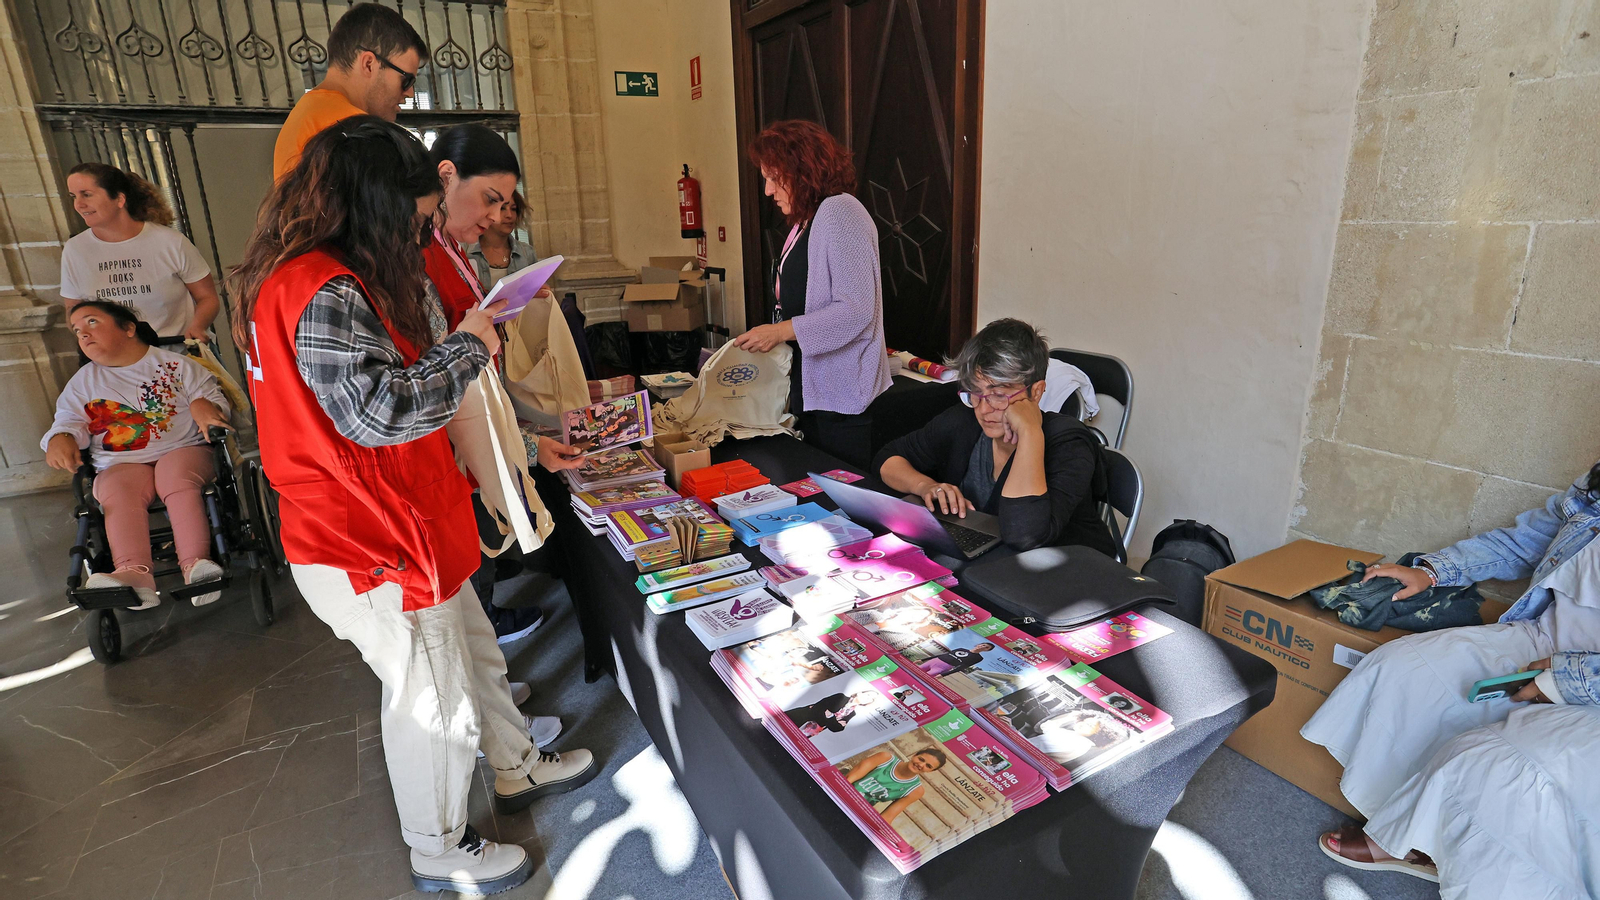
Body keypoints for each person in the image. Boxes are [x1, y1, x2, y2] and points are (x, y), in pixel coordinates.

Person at [232, 117, 595, 896]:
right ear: (377, 206)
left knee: (474, 652)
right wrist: (468, 345)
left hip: (410, 519)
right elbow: (378, 412)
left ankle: (516, 765)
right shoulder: (322, 287)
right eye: (418, 217)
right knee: (434, 695)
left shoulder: (327, 278)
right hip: (370, 537)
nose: (422, 233)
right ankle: (439, 845)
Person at [1301, 460, 1600, 894]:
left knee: (1498, 761)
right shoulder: (1594, 487)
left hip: (1588, 684)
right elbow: (1529, 540)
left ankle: (1429, 848)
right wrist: (1432, 572)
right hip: (1545, 638)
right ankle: (1412, 834)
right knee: (1404, 668)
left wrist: (1566, 679)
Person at [423, 123, 584, 650]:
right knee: (459, 611)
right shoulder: (418, 257)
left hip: (475, 438)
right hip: (447, 456)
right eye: (489, 199)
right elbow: (439, 381)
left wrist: (530, 447)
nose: (496, 216)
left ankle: (488, 677)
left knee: (474, 597)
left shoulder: (449, 247)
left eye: (504, 203)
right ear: (446, 177)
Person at [874, 319, 1118, 556]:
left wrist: (1030, 432)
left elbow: (1025, 535)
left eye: (999, 395)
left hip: (1073, 571)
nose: (983, 409)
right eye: (975, 392)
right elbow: (888, 458)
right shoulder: (964, 420)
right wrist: (924, 486)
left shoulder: (1070, 444)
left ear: (1036, 392)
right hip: (994, 564)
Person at [42, 301, 230, 608]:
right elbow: (69, 420)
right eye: (77, 330)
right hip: (121, 462)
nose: (83, 334)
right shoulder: (82, 382)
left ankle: (196, 565)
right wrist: (61, 437)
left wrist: (203, 406)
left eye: (92, 322)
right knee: (117, 488)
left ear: (129, 328)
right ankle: (134, 575)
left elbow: (213, 400)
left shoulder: (176, 365)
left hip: (184, 450)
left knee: (174, 475)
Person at [732, 119, 893, 469]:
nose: (768, 191)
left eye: (774, 178)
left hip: (843, 395)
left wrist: (779, 331)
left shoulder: (841, 211)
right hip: (817, 388)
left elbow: (855, 309)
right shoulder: (809, 218)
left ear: (803, 172)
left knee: (841, 488)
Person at [60, 164, 219, 341]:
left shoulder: (171, 242)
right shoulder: (75, 249)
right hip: (113, 355)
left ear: (119, 199)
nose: (79, 204)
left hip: (174, 350)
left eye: (87, 194)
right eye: (73, 196)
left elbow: (207, 297)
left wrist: (197, 327)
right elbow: (73, 308)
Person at [272, 2, 424, 181]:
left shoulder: (309, 112)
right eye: (406, 80)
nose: (410, 93)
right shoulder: (351, 127)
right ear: (369, 64)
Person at [845, 748, 947, 825]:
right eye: (921, 759)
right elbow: (849, 778)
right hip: (843, 792)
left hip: (857, 812)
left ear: (931, 771)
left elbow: (887, 817)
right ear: (914, 755)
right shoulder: (884, 758)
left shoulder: (916, 791)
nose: (921, 765)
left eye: (928, 766)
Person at [467, 190, 539, 291]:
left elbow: (535, 291)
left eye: (513, 209)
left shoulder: (527, 253)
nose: (509, 215)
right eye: (502, 208)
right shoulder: (465, 252)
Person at [785, 690, 876, 735]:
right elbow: (818, 708)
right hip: (800, 717)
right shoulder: (840, 697)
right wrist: (833, 721)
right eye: (868, 694)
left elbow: (836, 729)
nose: (868, 698)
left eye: (871, 699)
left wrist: (830, 716)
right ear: (860, 693)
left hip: (808, 731)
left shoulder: (852, 713)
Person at [921, 642, 994, 677]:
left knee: (926, 677)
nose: (983, 647)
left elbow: (962, 667)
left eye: (986, 647)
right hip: (935, 661)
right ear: (979, 644)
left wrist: (943, 675)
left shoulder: (978, 658)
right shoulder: (961, 649)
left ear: (987, 650)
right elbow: (944, 655)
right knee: (917, 671)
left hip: (943, 667)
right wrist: (923, 660)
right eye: (983, 645)